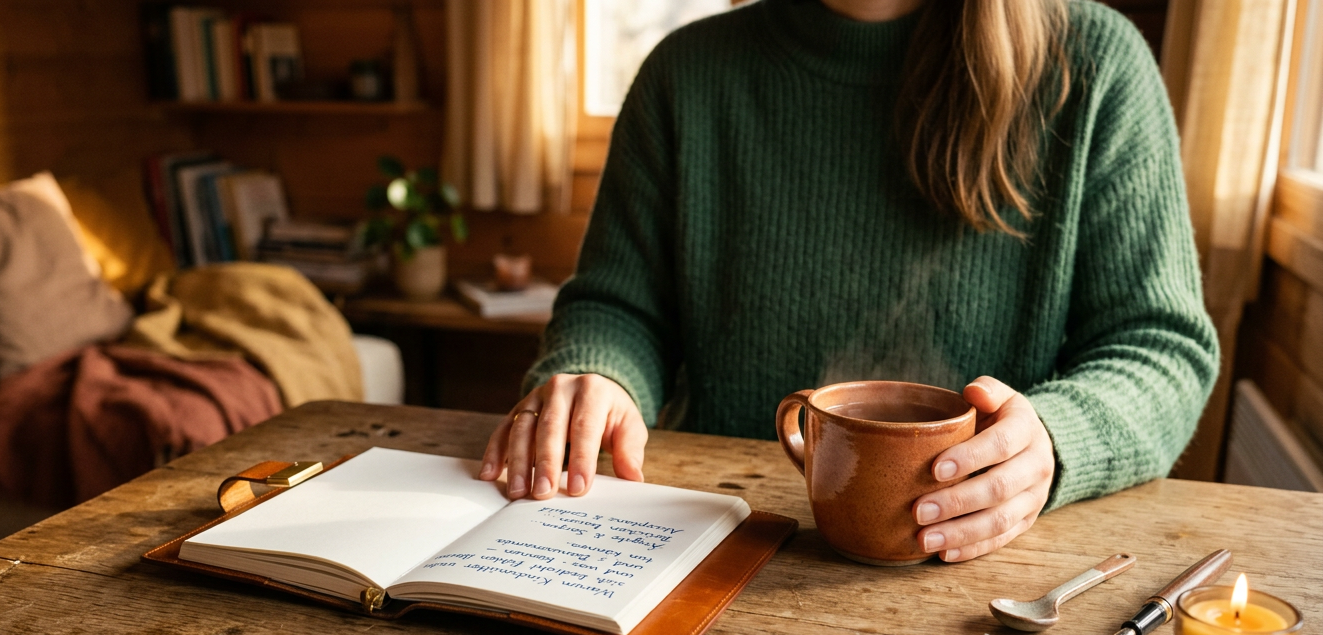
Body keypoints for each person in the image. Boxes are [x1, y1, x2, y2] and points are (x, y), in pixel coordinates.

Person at [480, 0, 1219, 563]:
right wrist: (597, 373)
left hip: (976, 568)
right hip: (700, 547)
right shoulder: (685, 72)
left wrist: (1056, 440)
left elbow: (1159, 346)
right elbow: (618, 305)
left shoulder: (1093, 66)